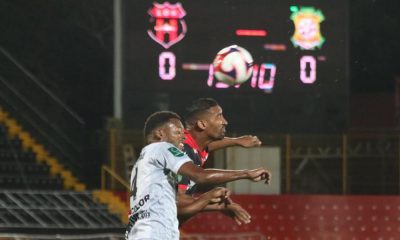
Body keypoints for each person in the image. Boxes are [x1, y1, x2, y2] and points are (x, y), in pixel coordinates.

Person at [126, 111, 270, 240]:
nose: (183, 137)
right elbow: (200, 175)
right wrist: (246, 173)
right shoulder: (163, 147)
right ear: (160, 134)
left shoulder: (144, 162)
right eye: (177, 132)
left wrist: (213, 204)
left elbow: (174, 207)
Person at [177, 98, 263, 225]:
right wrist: (245, 174)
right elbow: (178, 202)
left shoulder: (194, 144)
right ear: (202, 124)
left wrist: (236, 141)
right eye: (219, 116)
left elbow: (208, 146)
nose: (225, 122)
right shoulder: (182, 151)